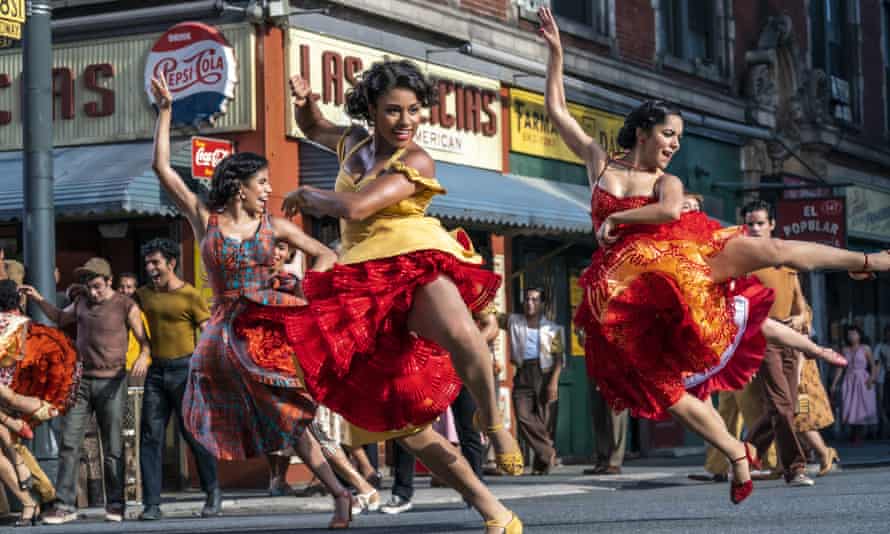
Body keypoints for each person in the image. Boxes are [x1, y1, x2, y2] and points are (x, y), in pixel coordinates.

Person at [539, 6, 867, 505]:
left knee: (761, 267)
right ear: (644, 131)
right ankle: (737, 454)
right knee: (665, 391)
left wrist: (619, 219)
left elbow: (668, 209)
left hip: (667, 279)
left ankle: (868, 264)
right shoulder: (598, 161)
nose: (674, 145)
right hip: (620, 298)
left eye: (679, 139)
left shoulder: (666, 182)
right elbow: (559, 111)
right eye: (669, 134)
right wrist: (556, 54)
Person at [264, 60, 523, 533]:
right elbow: (313, 127)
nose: (406, 122)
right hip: (360, 283)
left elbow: (357, 206)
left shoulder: (418, 160)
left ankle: (494, 425)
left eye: (415, 110)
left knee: (465, 336)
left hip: (411, 258)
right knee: (408, 428)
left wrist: (307, 194)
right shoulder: (351, 144)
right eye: (393, 112)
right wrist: (305, 103)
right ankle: (496, 513)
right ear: (370, 111)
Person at [149, 76, 355, 530]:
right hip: (223, 334)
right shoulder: (207, 220)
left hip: (271, 332)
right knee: (216, 410)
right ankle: (221, 481)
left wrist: (308, 294)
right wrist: (165, 112)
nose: (268, 189)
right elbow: (163, 170)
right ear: (239, 186)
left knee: (289, 419)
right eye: (261, 182)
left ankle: (340, 493)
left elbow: (325, 253)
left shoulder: (275, 227)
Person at [21, 257, 149, 524]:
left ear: (109, 281)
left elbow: (143, 340)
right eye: (90, 287)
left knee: (112, 447)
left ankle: (115, 504)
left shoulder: (126, 305)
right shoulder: (81, 302)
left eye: (98, 287)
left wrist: (142, 357)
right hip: (82, 383)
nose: (93, 292)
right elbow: (58, 317)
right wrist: (38, 299)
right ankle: (65, 505)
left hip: (113, 381)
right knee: (69, 442)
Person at [133, 238, 222, 520]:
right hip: (156, 373)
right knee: (150, 437)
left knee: (193, 436)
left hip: (185, 370)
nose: (150, 268)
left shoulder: (190, 295)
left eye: (156, 262)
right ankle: (152, 504)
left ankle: (212, 491)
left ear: (171, 263)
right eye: (147, 263)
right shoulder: (143, 295)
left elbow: (208, 331)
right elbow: (121, 306)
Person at [741, 199, 817, 487]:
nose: (755, 228)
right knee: (782, 406)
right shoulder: (743, 260)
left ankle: (743, 455)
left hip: (792, 340)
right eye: (750, 224)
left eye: (760, 223)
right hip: (763, 339)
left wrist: (800, 319)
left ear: (772, 225)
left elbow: (799, 303)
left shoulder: (785, 258)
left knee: (786, 408)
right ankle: (796, 468)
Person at [0, 277, 78, 526]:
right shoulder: (26, 324)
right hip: (24, 394)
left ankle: (40, 498)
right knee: (12, 445)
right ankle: (36, 500)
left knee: (12, 446)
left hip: (9, 395)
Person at [507, 287, 565, 475]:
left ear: (542, 304)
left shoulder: (553, 329)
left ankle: (542, 463)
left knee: (544, 419)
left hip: (545, 373)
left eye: (534, 300)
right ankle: (549, 451)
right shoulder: (514, 322)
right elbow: (489, 316)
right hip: (523, 371)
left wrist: (553, 383)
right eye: (526, 300)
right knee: (523, 416)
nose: (529, 303)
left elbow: (558, 358)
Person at [833, 325, 879, 443]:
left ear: (859, 335)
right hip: (849, 380)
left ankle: (859, 434)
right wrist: (834, 383)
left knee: (862, 405)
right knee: (849, 405)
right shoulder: (844, 350)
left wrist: (871, 379)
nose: (852, 336)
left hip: (862, 379)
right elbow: (840, 368)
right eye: (849, 334)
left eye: (854, 334)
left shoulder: (866, 348)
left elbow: (873, 366)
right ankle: (853, 433)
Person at [874, 325, 890, 431]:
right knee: (883, 403)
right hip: (883, 378)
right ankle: (883, 428)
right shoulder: (880, 347)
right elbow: (875, 363)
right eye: (887, 332)